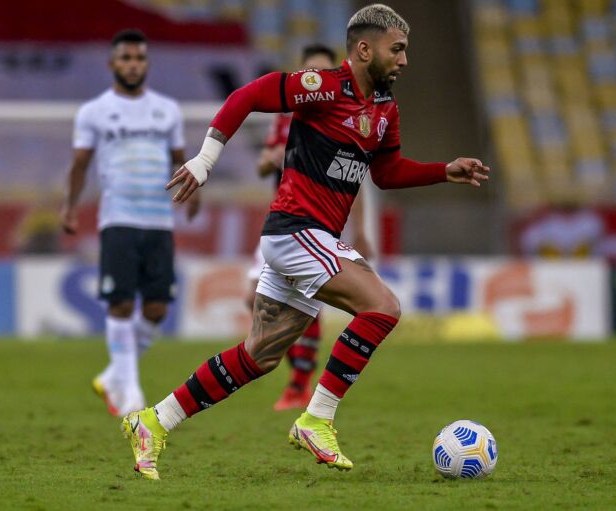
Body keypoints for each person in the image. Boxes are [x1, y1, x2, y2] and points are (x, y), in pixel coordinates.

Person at [124, 4, 489, 480]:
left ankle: (153, 421)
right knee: (383, 307)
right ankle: (317, 418)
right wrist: (205, 160)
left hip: (309, 240)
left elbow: (386, 172)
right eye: (396, 49)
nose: (404, 60)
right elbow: (248, 95)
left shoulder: (384, 109)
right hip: (297, 230)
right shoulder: (323, 87)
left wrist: (444, 171)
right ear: (364, 48)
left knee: (259, 356)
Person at [61, 29, 199, 416]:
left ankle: (112, 377)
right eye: (125, 58)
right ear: (112, 64)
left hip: (159, 220)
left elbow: (179, 158)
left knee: (156, 309)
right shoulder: (94, 111)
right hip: (118, 218)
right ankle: (131, 393)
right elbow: (81, 163)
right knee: (120, 303)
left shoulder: (167, 109)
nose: (133, 65)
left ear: (147, 64)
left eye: (139, 58)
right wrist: (70, 206)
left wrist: (195, 191)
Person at [250, 43, 372, 411]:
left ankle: (300, 382)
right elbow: (261, 167)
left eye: (322, 70)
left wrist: (363, 229)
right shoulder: (285, 115)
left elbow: (357, 178)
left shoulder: (340, 116)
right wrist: (271, 159)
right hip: (283, 222)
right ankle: (296, 377)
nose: (314, 78)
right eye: (309, 71)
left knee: (306, 301)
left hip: (316, 225)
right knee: (257, 303)